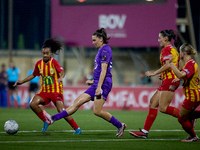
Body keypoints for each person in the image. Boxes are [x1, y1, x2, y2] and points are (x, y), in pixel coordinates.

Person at [44, 28, 127, 137]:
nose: (92, 42)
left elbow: (104, 70)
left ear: (101, 39)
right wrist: (93, 81)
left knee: (97, 111)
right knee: (77, 102)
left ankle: (119, 125)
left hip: (103, 84)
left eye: (94, 40)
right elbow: (99, 70)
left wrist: (99, 87)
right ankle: (53, 118)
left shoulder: (106, 50)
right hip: (97, 83)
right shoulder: (101, 50)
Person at [14, 38, 82, 134]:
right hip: (44, 92)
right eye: (43, 53)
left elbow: (62, 71)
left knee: (61, 111)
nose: (45, 55)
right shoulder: (39, 64)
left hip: (55, 91)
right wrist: (22, 81)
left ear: (50, 53)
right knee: (32, 104)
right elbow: (33, 75)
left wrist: (61, 77)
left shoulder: (54, 62)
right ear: (42, 53)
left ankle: (77, 128)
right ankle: (46, 121)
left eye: (47, 53)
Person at [130, 29, 183, 138]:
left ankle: (187, 117)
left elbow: (168, 65)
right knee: (153, 103)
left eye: (159, 38)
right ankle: (144, 132)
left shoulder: (165, 50)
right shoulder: (174, 50)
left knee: (163, 108)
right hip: (170, 79)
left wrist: (154, 73)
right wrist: (163, 74)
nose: (158, 40)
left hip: (169, 81)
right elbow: (180, 67)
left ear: (166, 39)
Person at [169, 43, 200, 142]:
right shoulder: (190, 63)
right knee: (188, 116)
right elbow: (186, 77)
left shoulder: (190, 63)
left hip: (193, 96)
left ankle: (193, 136)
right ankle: (193, 135)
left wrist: (171, 64)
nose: (179, 54)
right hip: (194, 94)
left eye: (180, 51)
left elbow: (182, 75)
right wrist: (179, 79)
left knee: (181, 118)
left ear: (183, 53)